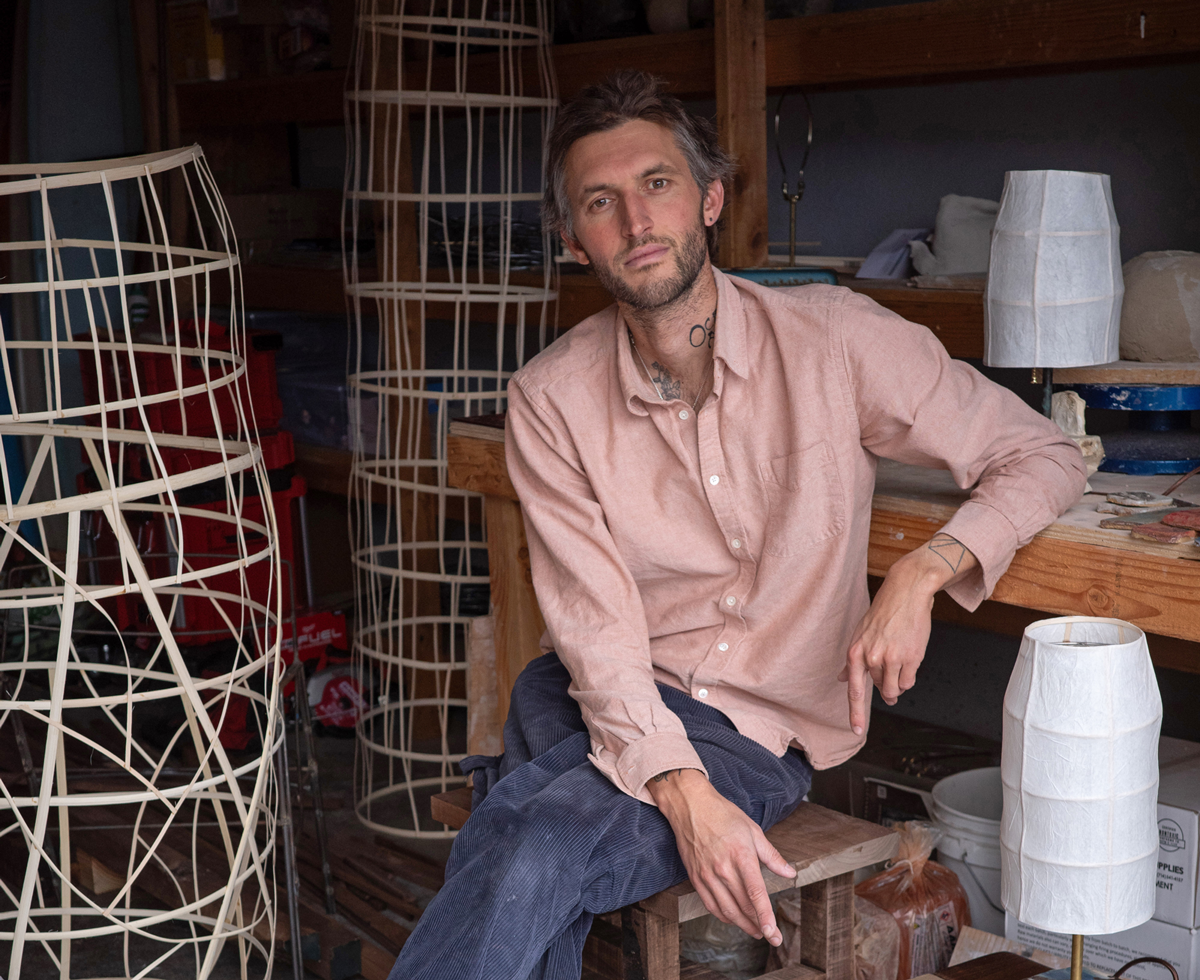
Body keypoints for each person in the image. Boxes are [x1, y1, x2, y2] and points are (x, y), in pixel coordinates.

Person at [388, 70, 1086, 980]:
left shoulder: (834, 338)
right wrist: (686, 800)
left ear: (710, 198)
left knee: (525, 841)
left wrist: (924, 571)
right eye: (602, 203)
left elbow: (1046, 454)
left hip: (752, 729)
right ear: (571, 239)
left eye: (659, 184)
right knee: (533, 843)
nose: (637, 223)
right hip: (603, 689)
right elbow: (597, 633)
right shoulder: (550, 400)